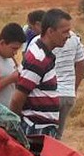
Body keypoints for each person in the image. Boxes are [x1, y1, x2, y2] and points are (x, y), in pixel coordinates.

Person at [10, 8, 73, 137]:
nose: (68, 36)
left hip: (40, 128)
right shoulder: (38, 58)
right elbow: (17, 99)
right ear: (50, 31)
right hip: (36, 130)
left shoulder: (44, 54)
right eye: (65, 32)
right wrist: (16, 128)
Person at [54, 28, 84, 135]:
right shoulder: (74, 38)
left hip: (50, 95)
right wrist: (74, 88)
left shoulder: (43, 39)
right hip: (68, 94)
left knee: (43, 137)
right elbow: (82, 64)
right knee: (57, 136)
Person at [0, 22, 26, 108]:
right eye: (14, 48)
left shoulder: (10, 59)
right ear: (2, 43)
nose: (15, 53)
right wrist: (10, 79)